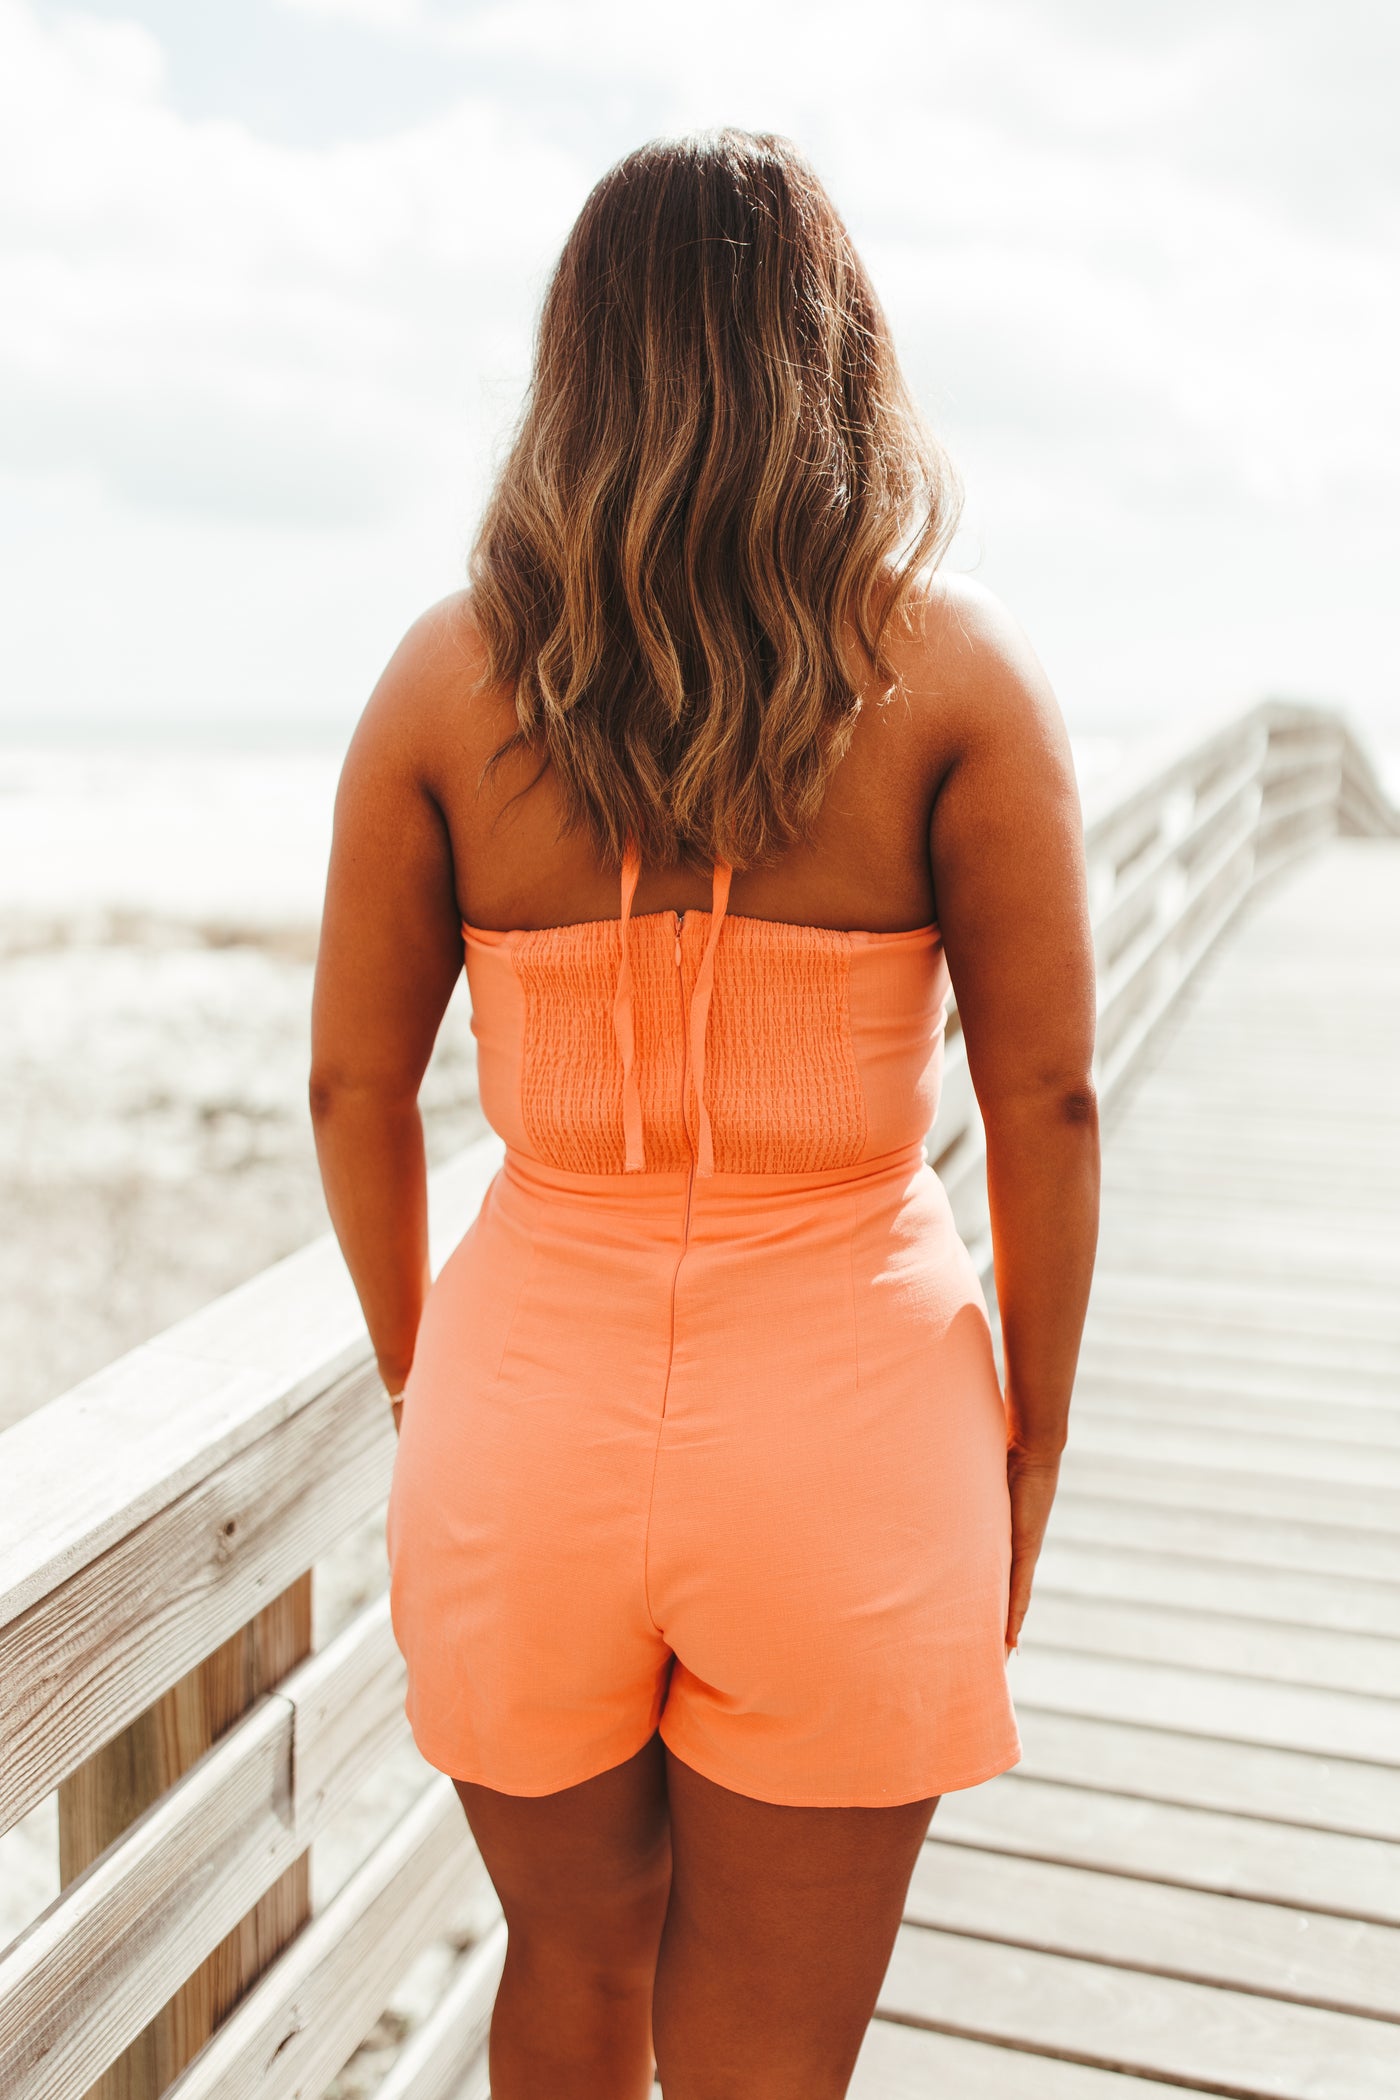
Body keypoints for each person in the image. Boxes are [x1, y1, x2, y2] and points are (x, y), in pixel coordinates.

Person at [310, 127, 1099, 2100]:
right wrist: (1029, 1445)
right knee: (764, 2057)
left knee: (568, 1977)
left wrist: (435, 1381)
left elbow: (351, 1085)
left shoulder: (444, 680)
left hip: (525, 1403)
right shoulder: (952, 674)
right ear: (835, 349)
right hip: (850, 1415)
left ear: (574, 362)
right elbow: (1048, 1100)